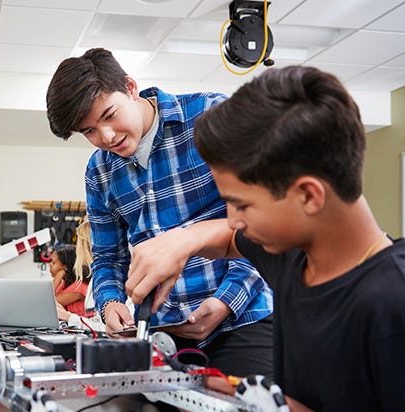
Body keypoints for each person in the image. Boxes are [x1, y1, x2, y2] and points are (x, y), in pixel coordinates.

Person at [125, 65, 405, 412]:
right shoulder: (292, 256)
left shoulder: (402, 307)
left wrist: (273, 409)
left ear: (308, 195)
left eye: (242, 204)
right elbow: (225, 239)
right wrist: (182, 241)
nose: (234, 219)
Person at [45, 47, 274, 378]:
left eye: (109, 115)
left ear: (130, 86)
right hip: (161, 334)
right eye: (89, 131)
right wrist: (110, 305)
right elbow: (108, 257)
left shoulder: (211, 115)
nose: (106, 137)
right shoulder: (99, 172)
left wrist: (227, 301)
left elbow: (268, 225)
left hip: (242, 319)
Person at [49, 244, 91, 319]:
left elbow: (48, 303)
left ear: (65, 267)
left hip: (78, 327)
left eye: (53, 263)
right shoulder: (63, 283)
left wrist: (59, 275)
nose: (50, 265)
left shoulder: (79, 287)